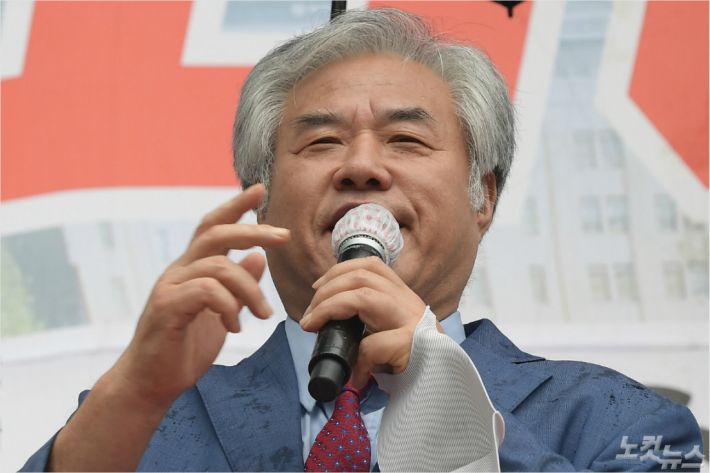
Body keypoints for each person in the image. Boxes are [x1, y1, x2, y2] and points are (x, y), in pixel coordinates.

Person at [22, 8, 703, 472]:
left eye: (406, 139)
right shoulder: (145, 419)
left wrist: (441, 391)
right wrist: (135, 392)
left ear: (484, 197)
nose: (362, 166)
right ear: (260, 195)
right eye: (322, 141)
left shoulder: (616, 420)